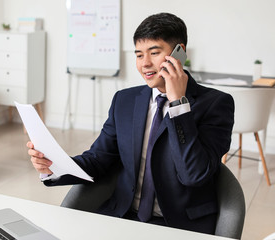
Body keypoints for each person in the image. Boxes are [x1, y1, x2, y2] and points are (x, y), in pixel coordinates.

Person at [26, 12, 234, 235]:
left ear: (179, 53)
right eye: (138, 55)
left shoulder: (216, 104)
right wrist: (54, 166)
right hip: (123, 216)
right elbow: (99, 159)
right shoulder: (124, 100)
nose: (145, 64)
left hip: (179, 226)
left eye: (154, 53)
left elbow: (193, 175)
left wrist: (178, 105)